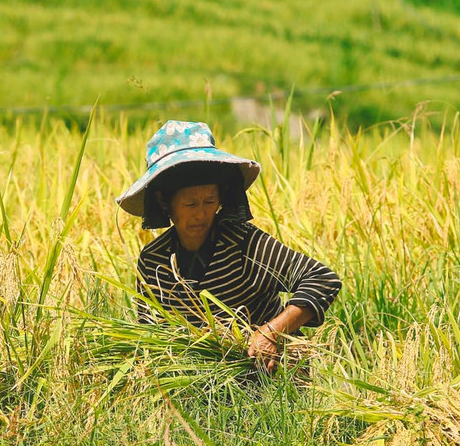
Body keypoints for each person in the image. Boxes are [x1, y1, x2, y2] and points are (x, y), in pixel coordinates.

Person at [116, 120, 341, 372]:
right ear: (164, 202)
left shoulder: (243, 242)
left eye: (209, 201)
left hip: (271, 376)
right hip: (200, 383)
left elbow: (323, 279)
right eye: (190, 205)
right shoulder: (154, 260)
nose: (201, 214)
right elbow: (151, 333)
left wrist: (271, 332)